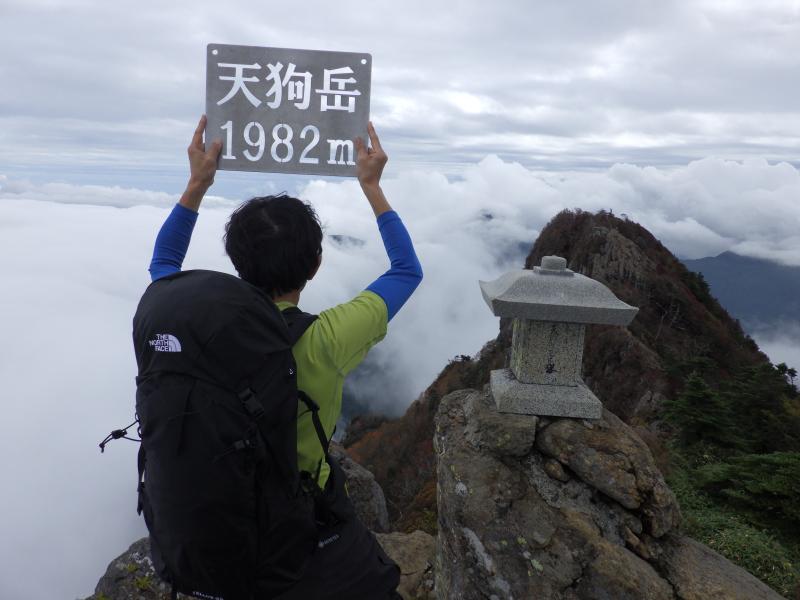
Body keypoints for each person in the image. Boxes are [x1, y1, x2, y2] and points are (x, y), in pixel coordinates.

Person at [146, 115, 422, 598]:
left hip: (212, 524)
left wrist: (196, 184)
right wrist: (372, 187)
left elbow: (164, 265)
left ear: (235, 262)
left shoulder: (188, 320)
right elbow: (406, 270)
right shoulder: (328, 339)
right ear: (315, 265)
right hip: (297, 529)